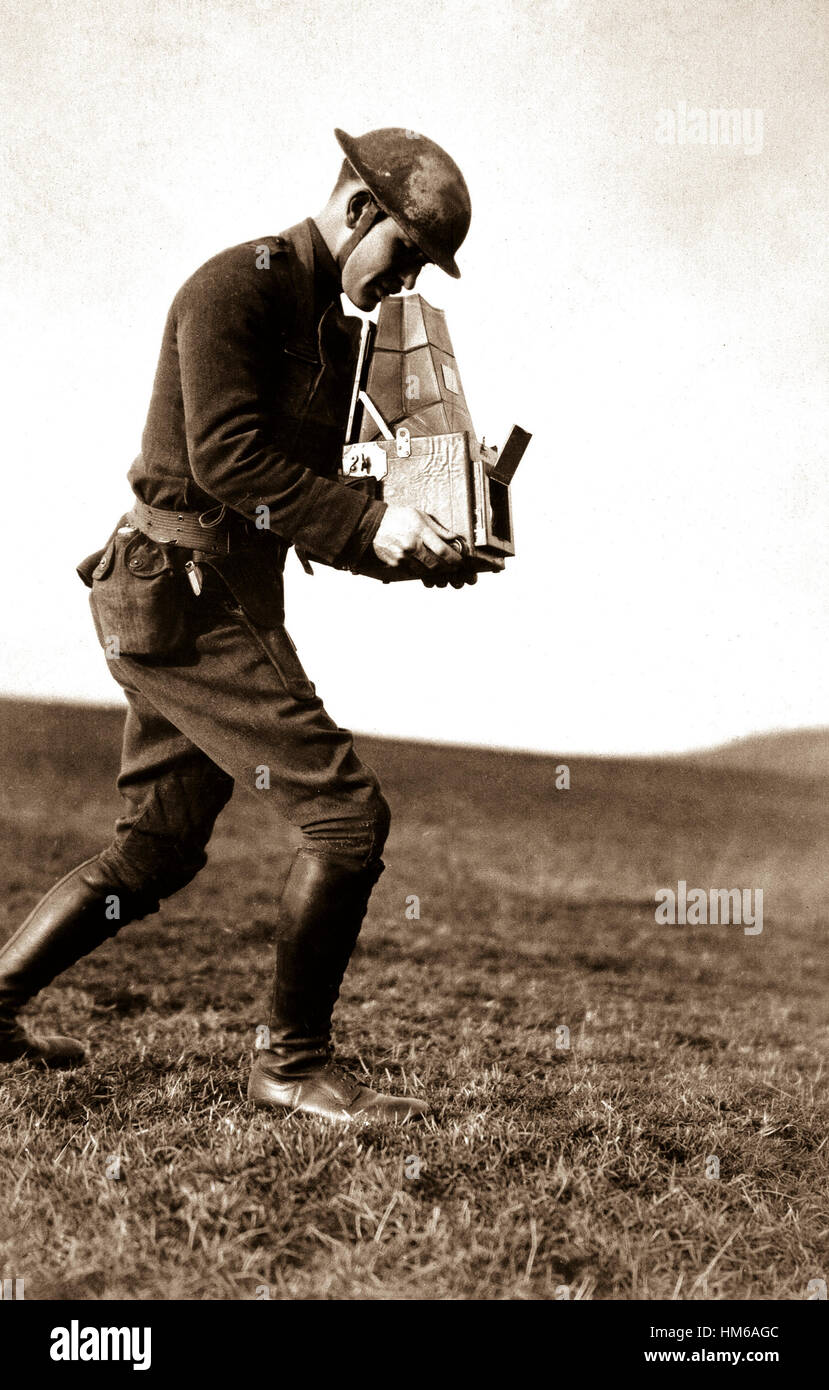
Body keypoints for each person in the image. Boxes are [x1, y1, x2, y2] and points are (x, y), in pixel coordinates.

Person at [0, 127, 474, 1124]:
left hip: (218, 598)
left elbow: (312, 497)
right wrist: (371, 522)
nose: (409, 281)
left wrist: (422, 549)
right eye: (406, 252)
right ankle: (290, 1062)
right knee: (347, 819)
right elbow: (227, 465)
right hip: (181, 593)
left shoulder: (333, 330)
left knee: (157, 850)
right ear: (355, 212)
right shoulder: (239, 287)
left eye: (427, 268)